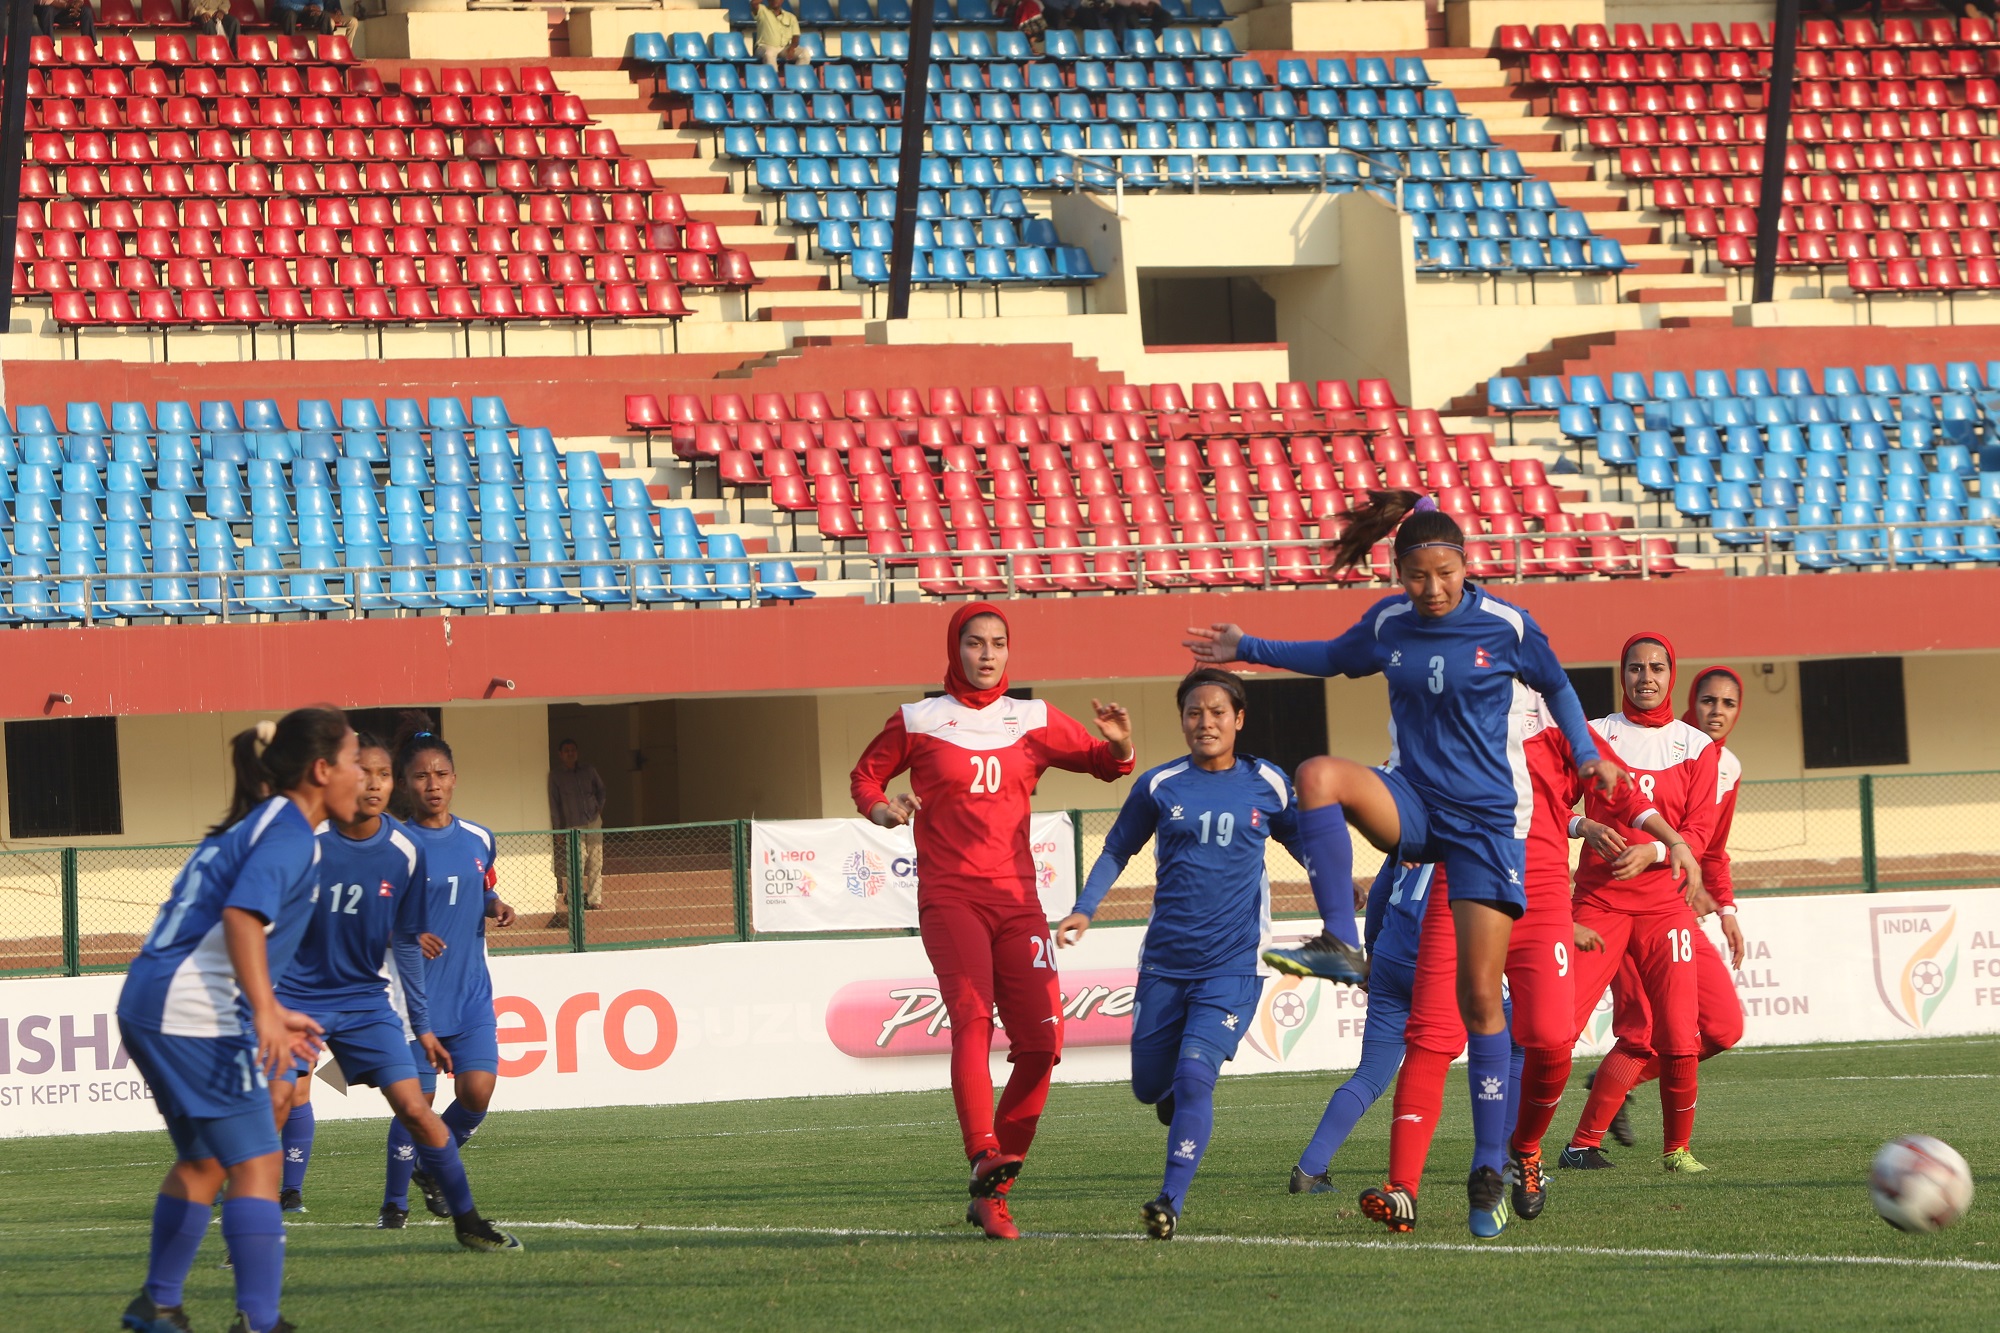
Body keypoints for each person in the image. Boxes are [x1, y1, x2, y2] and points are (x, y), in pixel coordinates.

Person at [1184, 489, 1625, 1238]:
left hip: (1486, 829)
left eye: (1444, 572)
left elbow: (1556, 684)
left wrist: (1584, 753)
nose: (1431, 588)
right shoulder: (1388, 624)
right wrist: (1247, 646)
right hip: (1417, 804)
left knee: (1482, 1005)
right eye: (1416, 575)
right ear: (1399, 573)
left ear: (1465, 566)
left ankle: (1489, 1171)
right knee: (1318, 775)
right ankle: (1335, 938)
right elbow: (1329, 657)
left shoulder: (1507, 626)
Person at [1349, 696, 1695, 1231]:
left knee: (1552, 1038)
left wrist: (1673, 840)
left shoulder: (1557, 720)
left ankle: (1525, 1151)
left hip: (1542, 900)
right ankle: (1403, 1190)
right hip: (1459, 891)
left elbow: (1620, 790)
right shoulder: (1442, 716)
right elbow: (1399, 793)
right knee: (1431, 1035)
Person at [850, 602, 1133, 1241]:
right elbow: (865, 776)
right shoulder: (918, 720)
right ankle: (983, 1152)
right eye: (974, 643)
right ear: (955, 650)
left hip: (1019, 904)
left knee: (1042, 1046)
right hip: (951, 898)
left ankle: (992, 1193)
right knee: (973, 1016)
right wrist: (882, 810)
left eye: (998, 643)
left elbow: (1104, 764)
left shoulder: (1031, 717)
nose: (986, 654)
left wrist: (1119, 744)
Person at [115, 710, 362, 1333]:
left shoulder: (268, 823)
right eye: (356, 760)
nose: (364, 775)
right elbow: (242, 918)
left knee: (205, 1159)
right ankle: (259, 1320)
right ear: (322, 769)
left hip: (157, 1001)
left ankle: (158, 1305)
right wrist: (266, 1012)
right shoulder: (289, 835)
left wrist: (269, 1007)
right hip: (191, 1011)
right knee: (257, 1162)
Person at [1059, 668, 1300, 1240]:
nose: (1206, 722)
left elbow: (1306, 840)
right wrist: (1086, 907)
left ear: (1238, 719)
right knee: (1150, 1087)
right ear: (1183, 720)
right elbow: (1118, 847)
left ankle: (1169, 1200)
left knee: (1196, 1077)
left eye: (1218, 712)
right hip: (1164, 964)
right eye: (1195, 713)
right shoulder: (1159, 784)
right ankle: (1166, 1096)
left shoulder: (1268, 782)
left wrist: (1344, 889)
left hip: (1232, 966)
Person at [265, 734, 520, 1251]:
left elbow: (453, 901)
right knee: (282, 1101)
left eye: (382, 773)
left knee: (442, 1102)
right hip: (331, 997)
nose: (431, 784)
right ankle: (256, 1222)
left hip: (412, 999)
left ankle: (458, 1215)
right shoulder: (321, 843)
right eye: (368, 773)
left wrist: (490, 904)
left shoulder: (443, 844)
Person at [1559, 634, 1724, 1174]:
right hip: (1599, 906)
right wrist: (1584, 825)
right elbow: (1545, 808)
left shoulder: (1696, 747)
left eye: (1656, 668)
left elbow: (1699, 832)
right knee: (1556, 1027)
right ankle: (1525, 1148)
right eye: (1635, 668)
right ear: (1621, 674)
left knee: (1678, 1032)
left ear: (1671, 674)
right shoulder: (1592, 735)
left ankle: (1677, 1150)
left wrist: (1654, 849)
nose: (1645, 678)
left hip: (1663, 909)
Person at [1588, 666, 1749, 1150]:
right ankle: (1583, 1145)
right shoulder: (1650, 745)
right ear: (1688, 700)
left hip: (1678, 912)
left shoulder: (1729, 767)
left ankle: (1615, 1086)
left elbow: (1712, 850)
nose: (1716, 712)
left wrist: (1726, 911)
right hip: (1622, 902)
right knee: (1641, 1031)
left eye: (1728, 704)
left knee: (1723, 1028)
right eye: (1708, 701)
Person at [383, 718, 520, 1228]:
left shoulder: (481, 838)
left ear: (455, 778)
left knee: (478, 1092)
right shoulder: (394, 844)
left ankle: (430, 1167)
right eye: (421, 776)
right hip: (415, 999)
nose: (432, 784)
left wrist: (495, 904)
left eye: (441, 774)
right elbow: (375, 915)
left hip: (469, 994)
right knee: (417, 1104)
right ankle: (393, 1208)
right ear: (405, 784)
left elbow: (477, 888)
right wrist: (408, 930)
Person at [546, 737, 607, 929]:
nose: (570, 753)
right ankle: (575, 899)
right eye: (566, 751)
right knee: (577, 862)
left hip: (593, 821)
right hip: (573, 825)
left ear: (577, 752)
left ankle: (595, 898)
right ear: (560, 754)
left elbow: (601, 790)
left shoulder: (588, 770)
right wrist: (558, 829)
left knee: (596, 860)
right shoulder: (556, 776)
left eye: (573, 750)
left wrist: (599, 808)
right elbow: (554, 804)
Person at [753, 0, 811, 68]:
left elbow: (796, 35)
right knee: (769, 53)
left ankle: (796, 76)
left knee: (805, 54)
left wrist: (792, 48)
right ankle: (774, 77)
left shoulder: (791, 17)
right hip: (764, 47)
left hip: (784, 48)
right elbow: (754, 3)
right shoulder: (762, 11)